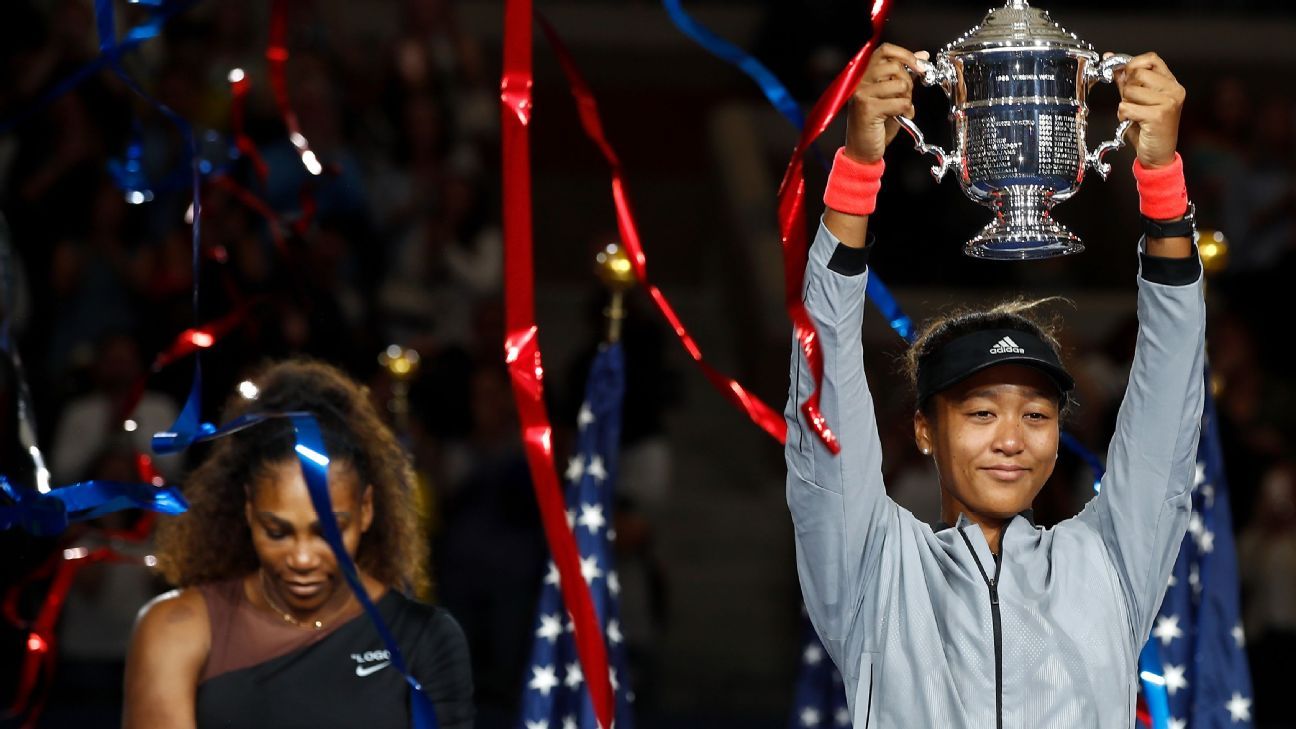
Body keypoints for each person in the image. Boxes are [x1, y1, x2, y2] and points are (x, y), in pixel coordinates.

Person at [786, 44, 1201, 727]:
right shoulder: (874, 570)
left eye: (1036, 414)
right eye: (980, 410)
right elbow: (823, 379)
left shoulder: (1109, 562)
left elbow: (1169, 397)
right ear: (925, 427)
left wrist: (1161, 183)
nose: (1011, 438)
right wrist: (858, 168)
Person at [123, 359, 473, 728]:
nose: (302, 558)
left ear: (366, 509)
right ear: (248, 509)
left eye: (328, 533)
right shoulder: (174, 628)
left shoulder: (424, 637)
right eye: (277, 532)